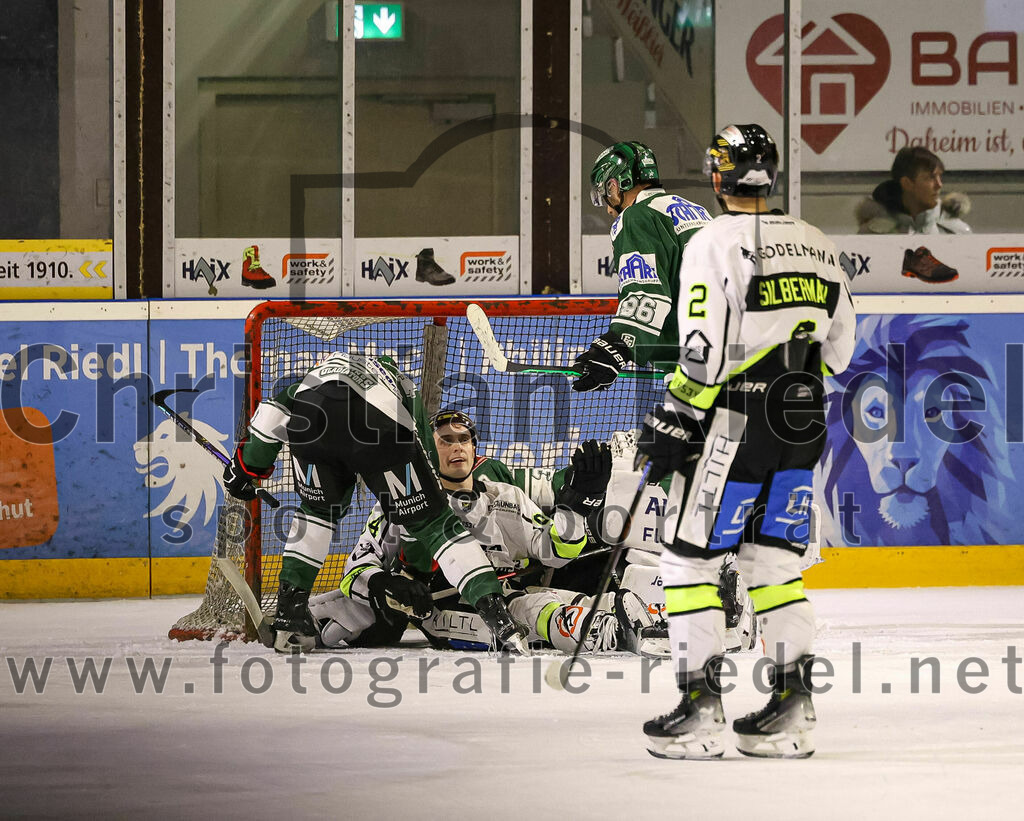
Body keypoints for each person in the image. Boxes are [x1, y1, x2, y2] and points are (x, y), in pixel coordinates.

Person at [636, 124, 856, 760]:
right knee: (776, 563)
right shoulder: (818, 243)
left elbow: (703, 346)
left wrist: (675, 417)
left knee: (688, 560)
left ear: (717, 178)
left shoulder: (713, 240)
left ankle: (700, 710)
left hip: (737, 416)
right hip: (804, 414)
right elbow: (842, 347)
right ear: (773, 175)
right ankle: (793, 708)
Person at [221, 354, 529, 655]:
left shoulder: (308, 381)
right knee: (434, 523)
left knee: (316, 513)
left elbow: (270, 415)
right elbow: (419, 440)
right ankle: (497, 614)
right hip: (377, 423)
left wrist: (247, 468)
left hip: (312, 423)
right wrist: (423, 510)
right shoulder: (397, 380)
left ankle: (290, 612)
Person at [309, 409, 664, 655]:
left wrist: (575, 506)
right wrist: (388, 584)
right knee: (529, 611)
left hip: (502, 596)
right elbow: (355, 570)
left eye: (463, 439)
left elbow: (555, 550)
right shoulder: (402, 499)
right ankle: (605, 633)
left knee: (554, 597)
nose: (456, 447)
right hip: (440, 608)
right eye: (445, 440)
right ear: (429, 451)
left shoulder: (503, 495)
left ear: (474, 447)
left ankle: (642, 615)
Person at [572, 141, 714, 392]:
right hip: (738, 356)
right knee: (730, 431)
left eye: (606, 195)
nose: (608, 208)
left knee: (676, 431)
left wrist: (615, 347)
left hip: (697, 368)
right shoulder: (698, 211)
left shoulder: (637, 216)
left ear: (615, 185)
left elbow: (646, 292)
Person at [856, 146, 971, 236]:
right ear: (907, 183)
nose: (939, 185)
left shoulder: (957, 233)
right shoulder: (872, 235)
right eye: (930, 177)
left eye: (940, 177)